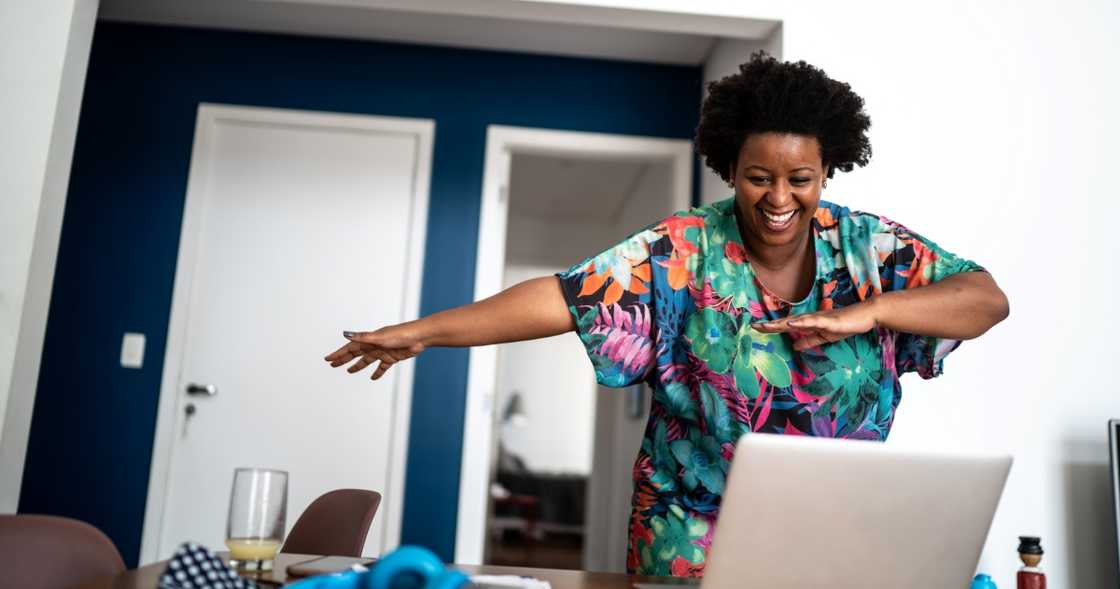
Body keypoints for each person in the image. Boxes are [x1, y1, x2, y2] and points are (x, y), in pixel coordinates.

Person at [323, 52, 1009, 577]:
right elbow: (564, 297)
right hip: (691, 526)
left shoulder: (870, 249)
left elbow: (984, 299)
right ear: (729, 167)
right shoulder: (684, 248)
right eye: (757, 176)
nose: (778, 197)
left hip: (837, 525)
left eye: (799, 179)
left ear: (826, 173)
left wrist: (873, 312)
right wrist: (424, 332)